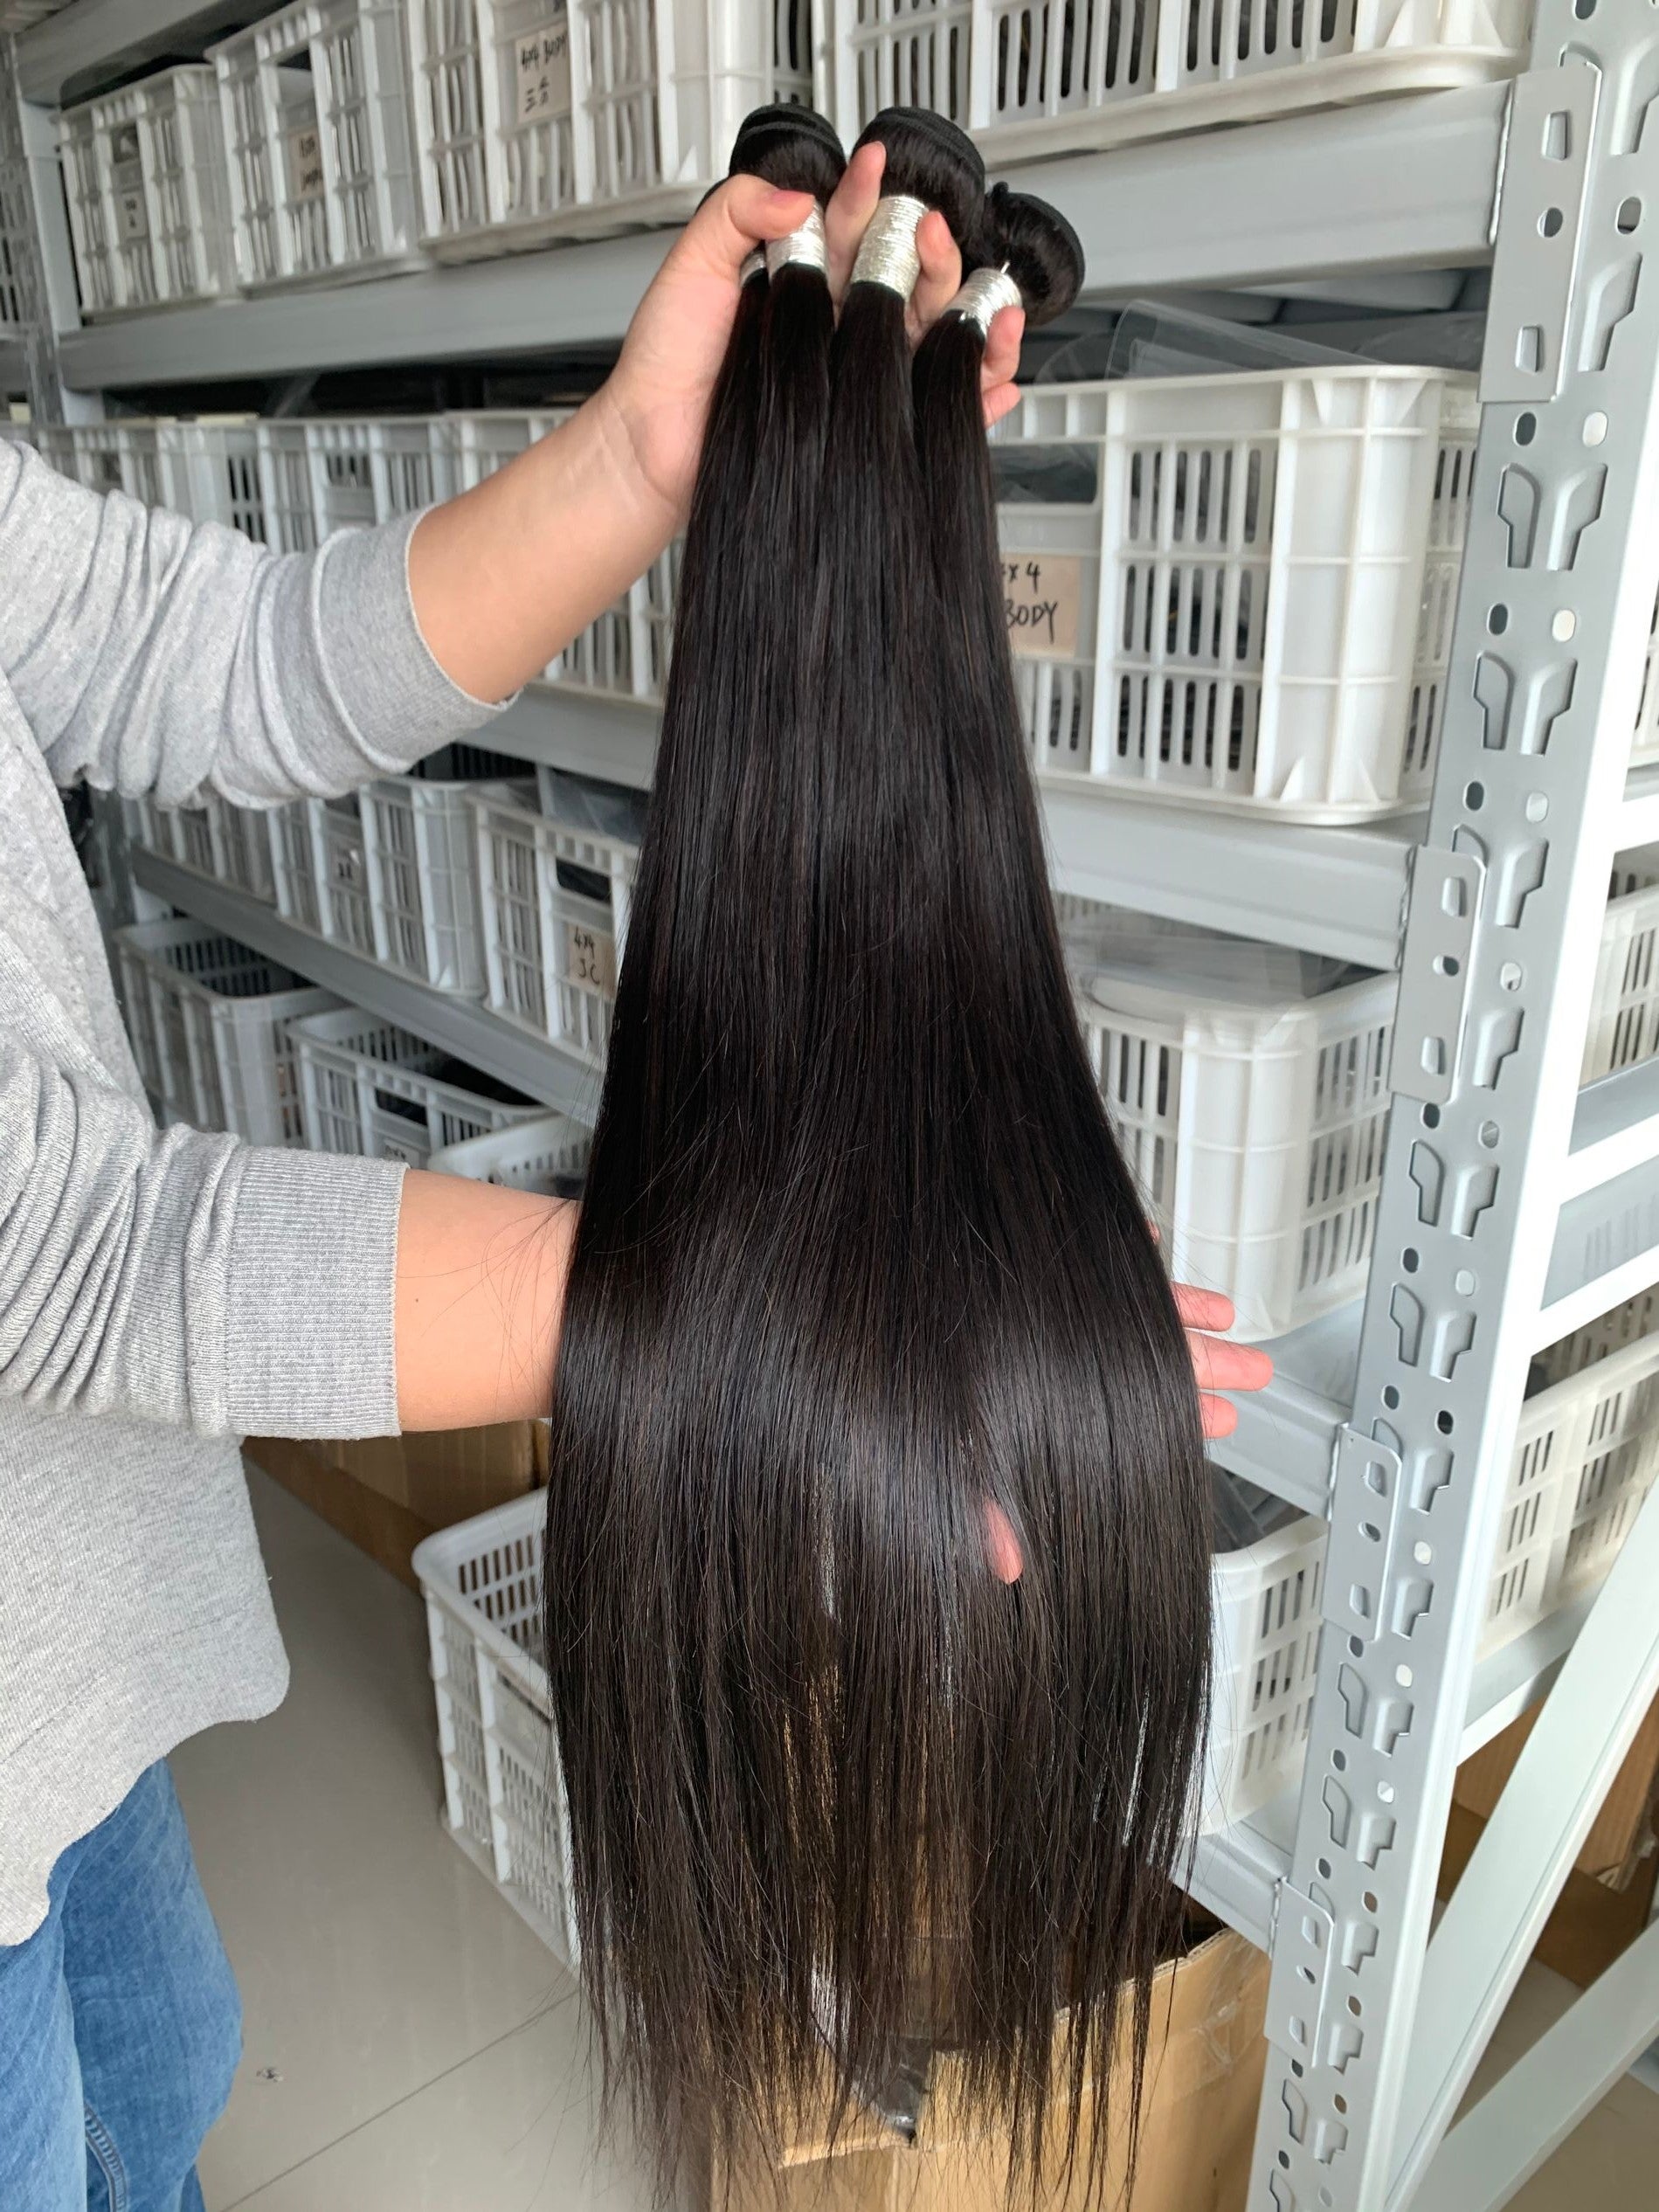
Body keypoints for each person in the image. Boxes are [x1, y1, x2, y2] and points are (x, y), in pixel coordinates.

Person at [0, 147, 1270, 2212]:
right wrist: (757, 1329)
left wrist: (635, 457)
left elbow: (190, 651)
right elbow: (54, 1249)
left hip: (50, 1621)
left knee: (164, 2073)